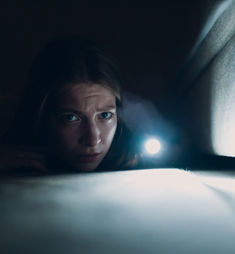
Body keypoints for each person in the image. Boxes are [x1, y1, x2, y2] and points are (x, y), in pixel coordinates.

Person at [0, 37, 139, 172]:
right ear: (40, 116)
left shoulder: (136, 156)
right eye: (70, 118)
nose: (92, 140)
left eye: (105, 115)